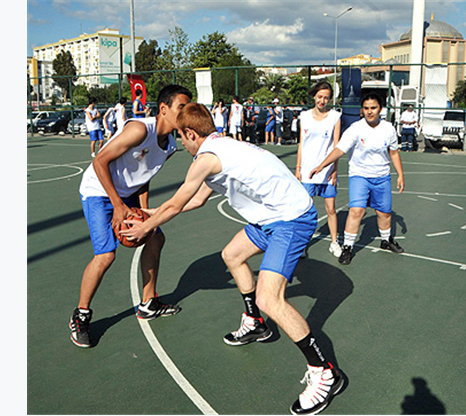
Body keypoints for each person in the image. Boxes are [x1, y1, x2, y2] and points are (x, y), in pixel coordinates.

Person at [120, 103, 345, 416]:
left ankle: (325, 372)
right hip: (270, 217)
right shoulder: (221, 147)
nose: (181, 143)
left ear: (190, 133)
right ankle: (255, 323)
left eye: (181, 137)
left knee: (270, 298)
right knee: (232, 255)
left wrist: (145, 226)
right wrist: (150, 212)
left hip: (291, 219)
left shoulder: (207, 158)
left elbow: (178, 202)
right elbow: (197, 199)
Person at [69, 84, 192, 348]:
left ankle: (148, 303)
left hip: (126, 194)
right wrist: (117, 205)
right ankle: (81, 315)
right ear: (163, 109)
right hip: (98, 190)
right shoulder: (140, 129)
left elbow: (144, 177)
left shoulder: (170, 145)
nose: (185, 113)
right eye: (181, 107)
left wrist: (146, 216)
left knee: (156, 238)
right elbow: (99, 161)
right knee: (105, 255)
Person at [309, 92, 405, 265]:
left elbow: (394, 153)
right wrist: (322, 165)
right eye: (366, 108)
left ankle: (386, 240)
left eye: (373, 108)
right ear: (362, 110)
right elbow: (339, 150)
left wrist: (400, 175)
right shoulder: (355, 129)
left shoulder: (388, 128)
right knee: (356, 211)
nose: (369, 111)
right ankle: (348, 246)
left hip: (382, 177)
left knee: (384, 213)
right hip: (359, 176)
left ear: (380, 109)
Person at [296, 81, 343, 258]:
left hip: (327, 171)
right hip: (307, 171)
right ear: (314, 96)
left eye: (326, 98)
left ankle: (334, 242)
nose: (322, 101)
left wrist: (335, 170)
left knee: (331, 209)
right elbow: (301, 144)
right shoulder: (304, 116)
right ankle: (302, 245)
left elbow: (337, 146)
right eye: (320, 97)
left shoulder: (335, 117)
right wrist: (298, 168)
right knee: (305, 210)